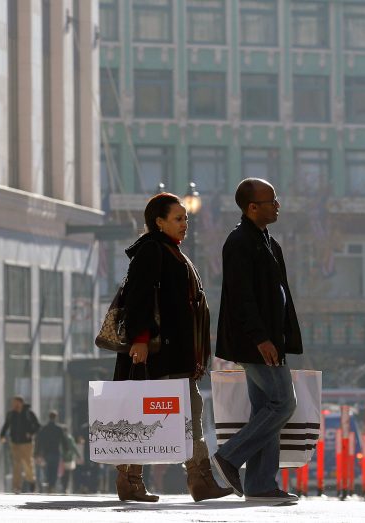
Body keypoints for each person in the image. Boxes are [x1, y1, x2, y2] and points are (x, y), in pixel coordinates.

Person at [112, 192, 233, 503]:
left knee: (180, 413)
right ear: (159, 222)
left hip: (177, 355)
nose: (185, 224)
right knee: (159, 414)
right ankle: (184, 479)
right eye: (178, 219)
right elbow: (138, 297)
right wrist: (139, 339)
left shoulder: (170, 250)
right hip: (160, 355)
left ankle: (186, 480)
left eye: (186, 219)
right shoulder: (152, 250)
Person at [211, 178, 302, 503]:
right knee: (283, 403)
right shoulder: (239, 242)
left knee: (265, 407)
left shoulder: (267, 241)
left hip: (270, 340)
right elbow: (241, 296)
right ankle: (229, 456)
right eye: (271, 201)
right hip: (254, 342)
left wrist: (279, 337)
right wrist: (262, 338)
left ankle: (261, 484)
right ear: (252, 207)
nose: (277, 205)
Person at [0, 396, 40, 494]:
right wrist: (2, 435)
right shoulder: (11, 414)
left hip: (27, 443)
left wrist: (30, 432)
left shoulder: (29, 413)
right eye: (13, 403)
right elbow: (6, 425)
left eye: (16, 403)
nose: (14, 405)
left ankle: (31, 482)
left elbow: (37, 425)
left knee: (27, 463)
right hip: (15, 443)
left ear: (21, 403)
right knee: (16, 464)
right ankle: (16, 486)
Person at [35, 411, 65, 494]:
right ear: (56, 417)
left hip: (46, 452)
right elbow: (63, 440)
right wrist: (66, 449)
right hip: (56, 451)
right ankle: (52, 485)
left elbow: (39, 440)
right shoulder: (59, 429)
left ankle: (49, 483)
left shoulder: (44, 428)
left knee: (47, 469)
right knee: (54, 470)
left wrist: (37, 452)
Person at [60, 426, 81, 494]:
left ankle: (63, 487)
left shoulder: (61, 438)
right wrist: (78, 455)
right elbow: (74, 447)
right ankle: (65, 488)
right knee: (67, 474)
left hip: (62, 459)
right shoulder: (70, 438)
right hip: (69, 459)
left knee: (62, 474)